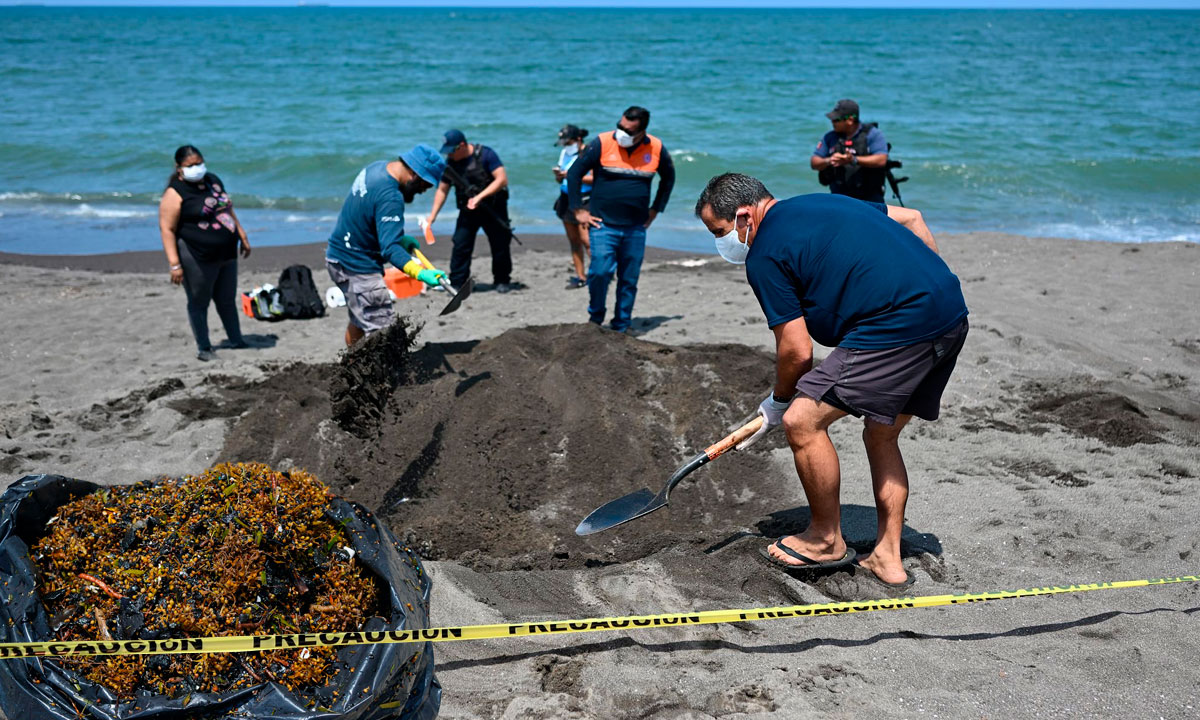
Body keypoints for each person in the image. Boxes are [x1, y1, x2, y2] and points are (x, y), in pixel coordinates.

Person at [694, 173, 968, 590]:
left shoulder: (765, 254)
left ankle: (825, 539)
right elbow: (912, 219)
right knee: (882, 432)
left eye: (720, 230)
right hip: (949, 312)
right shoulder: (825, 203)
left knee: (802, 421)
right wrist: (927, 286)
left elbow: (797, 350)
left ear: (745, 215)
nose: (722, 242)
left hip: (897, 326)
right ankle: (887, 558)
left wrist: (778, 402)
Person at [325, 144, 447, 347]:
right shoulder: (391, 196)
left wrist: (397, 238)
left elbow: (369, 217)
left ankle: (351, 365)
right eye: (424, 185)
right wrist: (420, 273)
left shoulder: (377, 168)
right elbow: (389, 250)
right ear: (415, 175)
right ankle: (382, 378)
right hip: (357, 267)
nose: (423, 192)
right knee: (384, 333)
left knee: (360, 317)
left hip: (338, 255)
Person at [567, 106, 674, 333]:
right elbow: (574, 173)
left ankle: (621, 324)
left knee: (628, 279)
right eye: (620, 126)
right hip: (603, 223)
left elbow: (669, 178)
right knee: (600, 272)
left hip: (636, 226)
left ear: (641, 131)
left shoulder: (655, 147)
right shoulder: (603, 142)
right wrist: (577, 210)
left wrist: (656, 209)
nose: (621, 132)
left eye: (628, 129)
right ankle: (596, 318)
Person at [158, 145, 251, 362]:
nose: (197, 168)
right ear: (179, 168)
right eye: (190, 165)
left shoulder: (213, 180)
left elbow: (226, 208)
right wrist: (174, 264)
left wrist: (242, 234)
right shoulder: (175, 192)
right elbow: (167, 229)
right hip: (197, 256)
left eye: (199, 163)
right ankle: (204, 347)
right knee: (199, 301)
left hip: (227, 252)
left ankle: (236, 339)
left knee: (227, 299)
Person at [426, 129, 516, 293]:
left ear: (462, 145)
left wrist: (480, 197)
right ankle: (457, 282)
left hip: (493, 208)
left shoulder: (486, 155)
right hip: (468, 210)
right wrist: (432, 216)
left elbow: (502, 179)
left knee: (500, 245)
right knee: (460, 244)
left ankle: (502, 280)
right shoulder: (450, 163)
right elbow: (442, 190)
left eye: (452, 151)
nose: (450, 155)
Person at [810, 99, 889, 203]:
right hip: (839, 198)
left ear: (850, 120)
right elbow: (814, 162)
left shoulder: (872, 134)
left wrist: (853, 160)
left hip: (870, 198)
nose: (832, 122)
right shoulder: (830, 137)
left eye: (836, 120)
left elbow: (881, 159)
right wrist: (829, 160)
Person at [553, 124, 593, 289]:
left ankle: (599, 272)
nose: (566, 146)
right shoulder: (565, 154)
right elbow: (561, 180)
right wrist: (559, 176)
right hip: (566, 199)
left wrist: (572, 175)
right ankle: (580, 276)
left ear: (578, 139)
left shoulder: (589, 153)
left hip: (585, 199)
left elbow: (595, 178)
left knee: (587, 240)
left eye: (568, 142)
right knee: (574, 240)